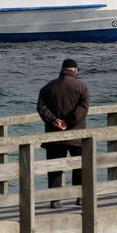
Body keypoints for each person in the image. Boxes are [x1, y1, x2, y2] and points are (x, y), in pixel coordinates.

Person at [36, 59, 90, 208]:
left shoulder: (48, 87)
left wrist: (54, 121)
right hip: (75, 135)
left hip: (54, 136)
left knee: (55, 168)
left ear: (63, 69)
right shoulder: (81, 87)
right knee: (79, 166)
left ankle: (55, 200)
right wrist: (69, 122)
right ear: (75, 70)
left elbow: (41, 107)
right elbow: (83, 108)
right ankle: (79, 198)